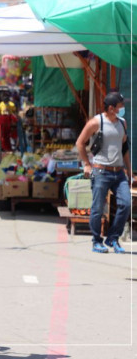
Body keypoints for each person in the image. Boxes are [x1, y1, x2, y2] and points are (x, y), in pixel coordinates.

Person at [75, 91, 132, 254]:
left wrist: (129, 171)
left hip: (119, 172)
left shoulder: (122, 123)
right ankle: (96, 241)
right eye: (121, 106)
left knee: (126, 204)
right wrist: (87, 164)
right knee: (98, 208)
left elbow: (124, 149)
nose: (123, 108)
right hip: (100, 171)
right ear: (112, 108)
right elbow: (80, 143)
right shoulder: (96, 122)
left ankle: (113, 238)